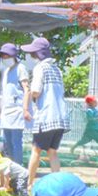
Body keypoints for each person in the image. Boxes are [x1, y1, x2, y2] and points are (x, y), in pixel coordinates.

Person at [21, 38, 69, 188]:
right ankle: (57, 184)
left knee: (36, 150)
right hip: (60, 116)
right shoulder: (57, 69)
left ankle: (28, 184)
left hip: (46, 116)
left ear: (37, 53)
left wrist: (30, 97)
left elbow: (35, 91)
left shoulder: (40, 68)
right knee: (52, 152)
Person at [0, 42, 30, 166]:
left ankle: (19, 168)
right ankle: (11, 168)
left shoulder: (20, 68)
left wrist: (25, 109)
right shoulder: (5, 71)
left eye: (7, 56)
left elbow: (27, 89)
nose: (5, 58)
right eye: (3, 56)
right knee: (7, 142)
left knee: (16, 142)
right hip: (6, 111)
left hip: (17, 110)